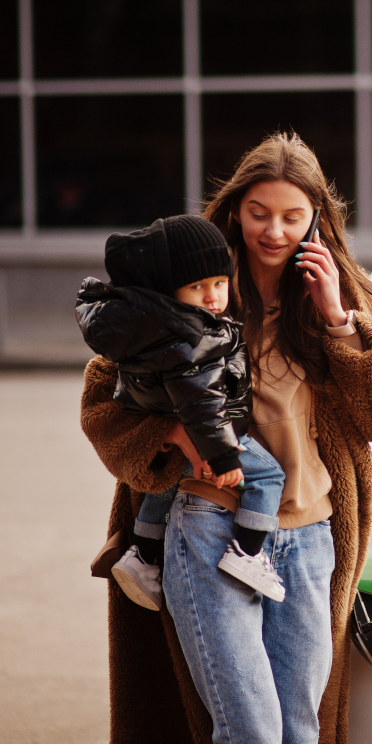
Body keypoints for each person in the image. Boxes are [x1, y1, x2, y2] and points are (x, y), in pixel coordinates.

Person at [79, 132, 372, 744]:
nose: (274, 231)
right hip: (208, 524)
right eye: (259, 212)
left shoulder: (348, 295)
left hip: (312, 537)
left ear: (317, 216)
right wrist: (173, 435)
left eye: (292, 216)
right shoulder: (190, 279)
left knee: (299, 739)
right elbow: (104, 399)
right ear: (236, 208)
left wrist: (338, 320)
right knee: (254, 741)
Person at [76, 214, 288, 608]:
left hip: (185, 433)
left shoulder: (153, 329)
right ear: (169, 289)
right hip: (214, 438)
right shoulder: (190, 336)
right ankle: (247, 551)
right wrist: (222, 455)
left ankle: (143, 554)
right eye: (197, 287)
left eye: (220, 283)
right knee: (269, 475)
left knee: (169, 479)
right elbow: (202, 400)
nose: (212, 297)